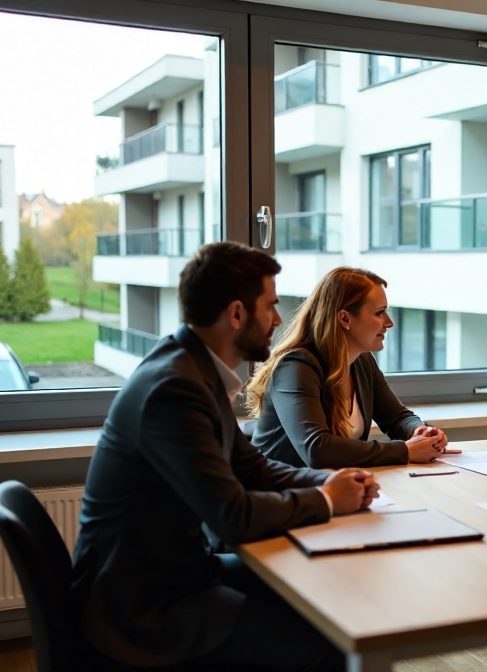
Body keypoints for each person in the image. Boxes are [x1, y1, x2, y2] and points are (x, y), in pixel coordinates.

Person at [72, 243, 379, 672]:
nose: (277, 319)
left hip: (173, 574)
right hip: (143, 606)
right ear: (236, 314)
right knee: (327, 644)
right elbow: (231, 516)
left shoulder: (193, 369)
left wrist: (329, 483)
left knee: (324, 598)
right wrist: (329, 502)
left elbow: (249, 466)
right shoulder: (174, 388)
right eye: (270, 307)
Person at [247, 267, 449, 469]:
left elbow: (397, 418)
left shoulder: (362, 361)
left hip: (330, 485)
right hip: (275, 493)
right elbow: (317, 450)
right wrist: (405, 450)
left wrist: (419, 432)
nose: (389, 322)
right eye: (380, 313)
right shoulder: (295, 367)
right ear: (345, 318)